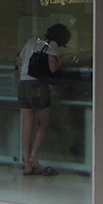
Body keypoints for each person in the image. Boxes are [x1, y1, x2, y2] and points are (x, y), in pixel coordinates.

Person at [15, 23, 72, 176]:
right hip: (38, 86)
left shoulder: (31, 41)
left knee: (27, 127)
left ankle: (27, 165)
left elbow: (19, 62)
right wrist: (63, 59)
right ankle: (34, 156)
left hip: (23, 86)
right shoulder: (51, 45)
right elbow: (52, 68)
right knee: (43, 123)